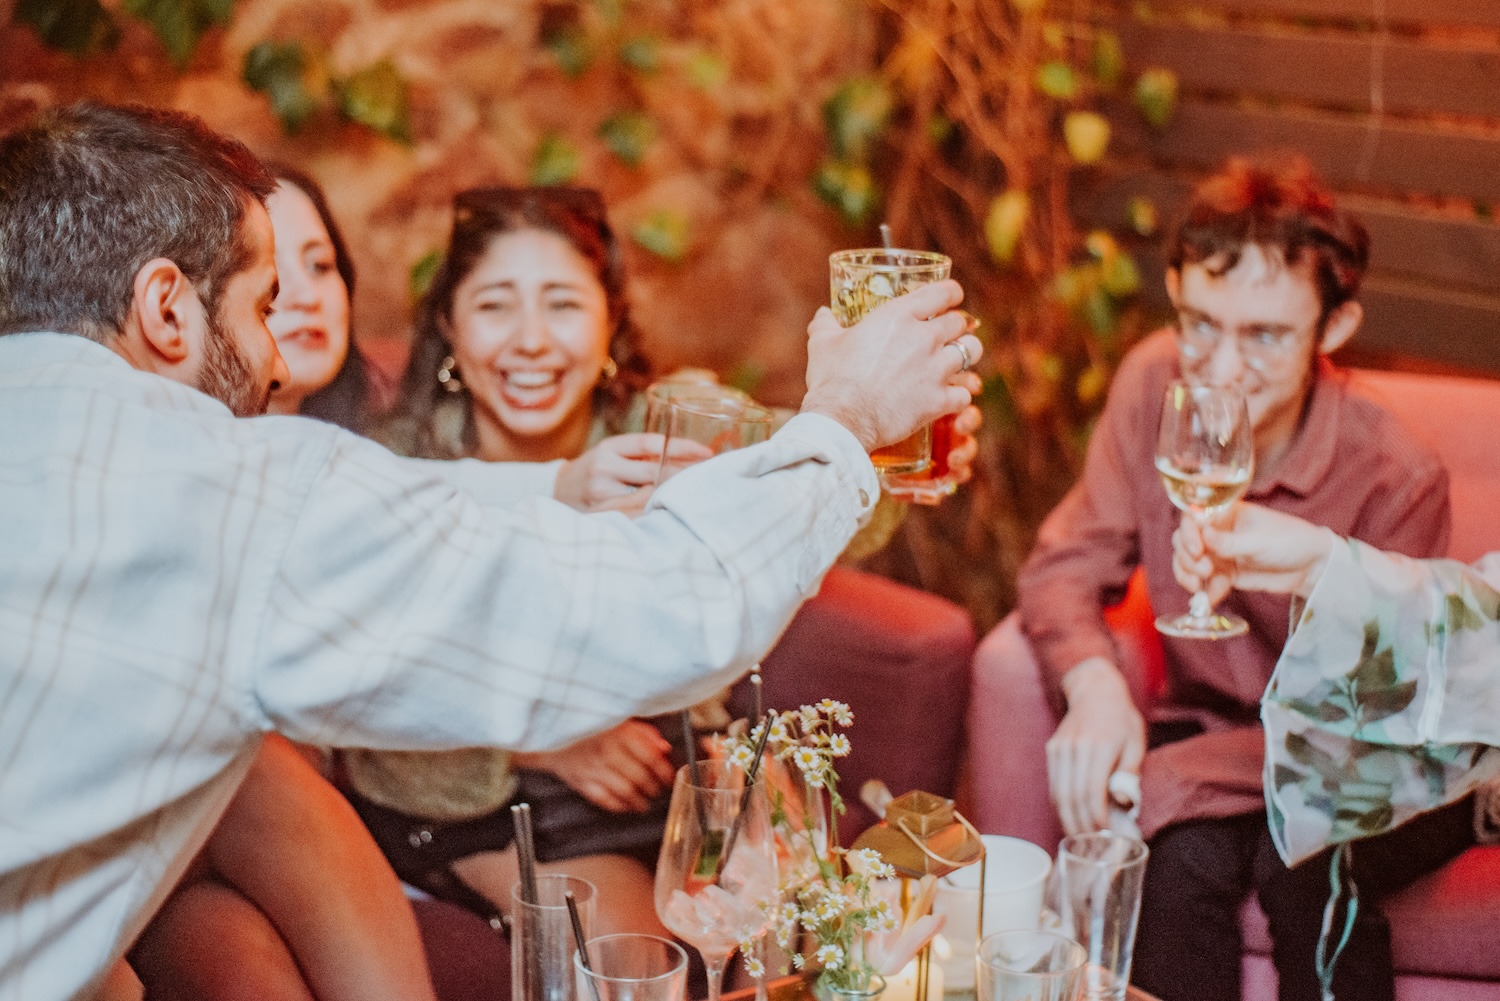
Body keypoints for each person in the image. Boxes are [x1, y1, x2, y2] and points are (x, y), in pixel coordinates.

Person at [0, 101, 982, 1001]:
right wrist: (847, 417)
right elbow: (667, 608)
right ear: (165, 309)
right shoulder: (228, 488)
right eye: (260, 304)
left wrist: (559, 485)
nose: (274, 357)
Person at [349, 185, 984, 937]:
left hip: (675, 770)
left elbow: (810, 481)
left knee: (829, 919)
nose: (529, 340)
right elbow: (373, 674)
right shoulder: (400, 466)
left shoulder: (670, 424)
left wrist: (884, 444)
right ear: (450, 325)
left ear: (610, 320)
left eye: (561, 304)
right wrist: (548, 743)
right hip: (481, 797)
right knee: (633, 959)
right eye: (494, 306)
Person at [1013, 155, 1470, 1001]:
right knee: (1176, 862)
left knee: (1302, 853)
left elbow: (1368, 721)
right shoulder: (1157, 382)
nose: (1219, 367)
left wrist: (1170, 779)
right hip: (1225, 731)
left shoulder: (1395, 473)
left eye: (1263, 335)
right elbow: (1065, 565)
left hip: (1371, 752)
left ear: (1334, 330)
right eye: (1199, 322)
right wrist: (1095, 686)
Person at [127, 168, 441, 1001]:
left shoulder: (389, 458)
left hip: (304, 832)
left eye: (323, 263)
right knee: (240, 758)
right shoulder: (162, 467)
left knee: (234, 943)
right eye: (272, 275)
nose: (304, 295)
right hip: (171, 821)